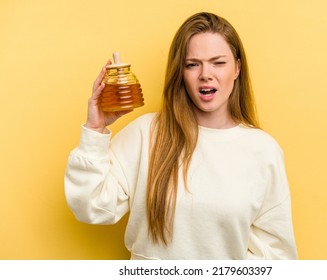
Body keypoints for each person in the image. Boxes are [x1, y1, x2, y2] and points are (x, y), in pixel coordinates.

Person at [64, 11, 298, 260]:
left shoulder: (263, 150)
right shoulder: (147, 133)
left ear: (237, 68)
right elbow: (91, 206)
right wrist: (95, 129)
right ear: (181, 72)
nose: (205, 74)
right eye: (192, 64)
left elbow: (277, 256)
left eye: (218, 62)